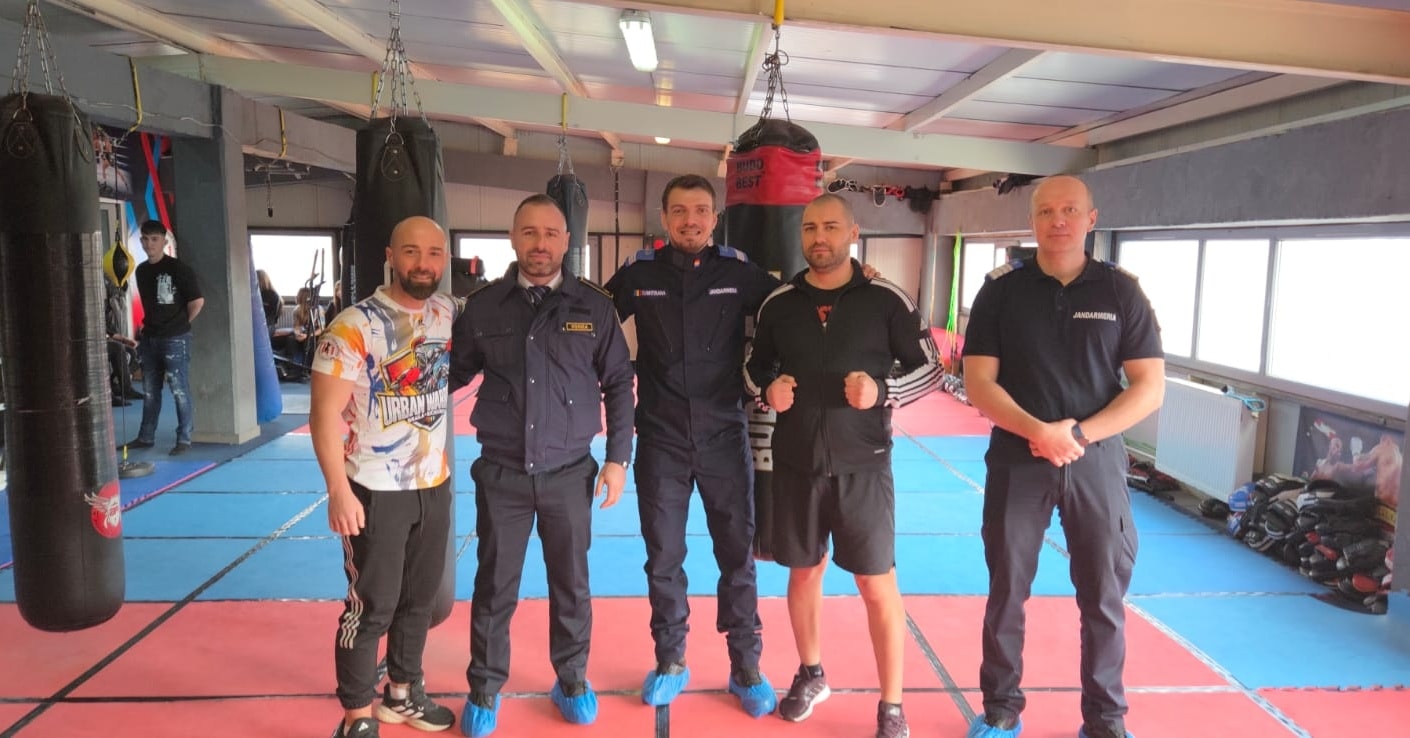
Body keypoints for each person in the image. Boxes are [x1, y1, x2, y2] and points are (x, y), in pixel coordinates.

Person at [961, 175, 1165, 738]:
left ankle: (1105, 719)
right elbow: (978, 382)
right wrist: (1037, 431)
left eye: (1070, 210)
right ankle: (1001, 708)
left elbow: (1149, 386)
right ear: (1032, 221)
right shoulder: (1001, 291)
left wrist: (1078, 433)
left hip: (1094, 459)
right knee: (1007, 589)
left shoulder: (1120, 292)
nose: (1058, 220)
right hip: (1018, 455)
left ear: (1091, 219)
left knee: (1103, 594)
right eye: (1046, 211)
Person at [743, 193, 941, 738]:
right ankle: (811, 673)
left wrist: (882, 390)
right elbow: (753, 368)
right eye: (810, 228)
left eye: (831, 226)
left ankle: (892, 706)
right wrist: (767, 391)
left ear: (853, 232)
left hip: (864, 467)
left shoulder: (885, 298)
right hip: (796, 463)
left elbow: (932, 369)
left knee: (877, 583)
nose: (819, 237)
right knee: (804, 573)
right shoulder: (780, 303)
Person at [450, 194, 635, 737]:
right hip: (502, 473)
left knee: (571, 585)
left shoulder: (594, 306)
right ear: (513, 237)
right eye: (529, 232)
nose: (540, 244)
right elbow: (451, 374)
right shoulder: (483, 306)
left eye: (551, 234)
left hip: (569, 472)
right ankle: (485, 687)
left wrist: (618, 459)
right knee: (493, 587)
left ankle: (572, 679)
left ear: (566, 241)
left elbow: (619, 384)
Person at [602, 173, 780, 716]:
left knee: (736, 554)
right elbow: (590, 316)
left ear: (715, 217)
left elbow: (792, 306)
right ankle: (670, 660)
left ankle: (745, 665)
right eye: (679, 211)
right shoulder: (640, 273)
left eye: (701, 210)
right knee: (663, 556)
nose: (690, 220)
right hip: (660, 438)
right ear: (664, 218)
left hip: (725, 433)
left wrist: (855, 279)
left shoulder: (739, 272)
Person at [311, 215, 460, 738]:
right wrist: (338, 491)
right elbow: (322, 415)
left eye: (434, 253)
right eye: (412, 252)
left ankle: (402, 694)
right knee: (372, 607)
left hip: (432, 484)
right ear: (391, 257)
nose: (424, 263)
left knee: (419, 602)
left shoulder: (446, 313)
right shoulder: (354, 325)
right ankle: (357, 715)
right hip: (374, 490)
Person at [128, 220, 204, 455]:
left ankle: (184, 438)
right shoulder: (141, 271)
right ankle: (146, 436)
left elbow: (197, 301)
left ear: (164, 241)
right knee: (150, 390)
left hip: (175, 338)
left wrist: (179, 324)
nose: (149, 244)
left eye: (154, 239)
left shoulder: (179, 269)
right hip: (150, 337)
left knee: (179, 389)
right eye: (145, 239)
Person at [1352, 433, 1401, 508]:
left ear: (1385, 438)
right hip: (1395, 508)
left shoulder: (1383, 447)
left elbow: (1357, 466)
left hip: (1381, 504)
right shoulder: (1401, 457)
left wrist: (1355, 451)